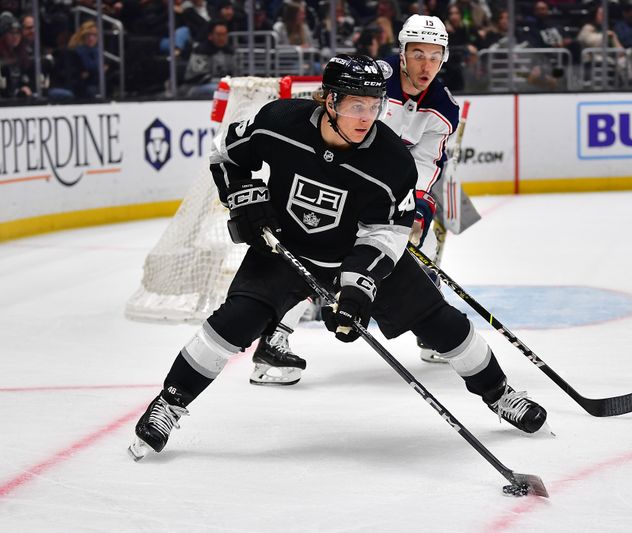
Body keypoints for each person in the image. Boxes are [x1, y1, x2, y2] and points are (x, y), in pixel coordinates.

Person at [128, 54, 548, 460]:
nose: (367, 117)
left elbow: (386, 233)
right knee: (231, 324)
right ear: (330, 101)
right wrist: (242, 195)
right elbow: (225, 153)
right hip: (287, 249)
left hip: (356, 253)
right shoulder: (279, 122)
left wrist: (356, 290)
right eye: (356, 105)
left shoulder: (393, 162)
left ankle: (499, 394)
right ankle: (169, 403)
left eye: (375, 105)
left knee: (447, 326)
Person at [250, 14, 465, 388]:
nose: (425, 64)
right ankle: (273, 339)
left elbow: (426, 161)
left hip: (385, 197)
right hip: (338, 186)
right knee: (319, 259)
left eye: (434, 56)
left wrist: (415, 208)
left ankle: (430, 330)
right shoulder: (372, 79)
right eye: (417, 54)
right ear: (402, 53)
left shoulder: (444, 107)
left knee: (426, 244)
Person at [182, 20, 237, 98]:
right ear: (210, 36)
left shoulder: (231, 52)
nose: (222, 38)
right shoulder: (200, 50)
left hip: (225, 84)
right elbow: (199, 77)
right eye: (218, 35)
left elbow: (236, 74)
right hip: (195, 86)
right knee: (219, 89)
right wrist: (224, 82)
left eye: (224, 34)